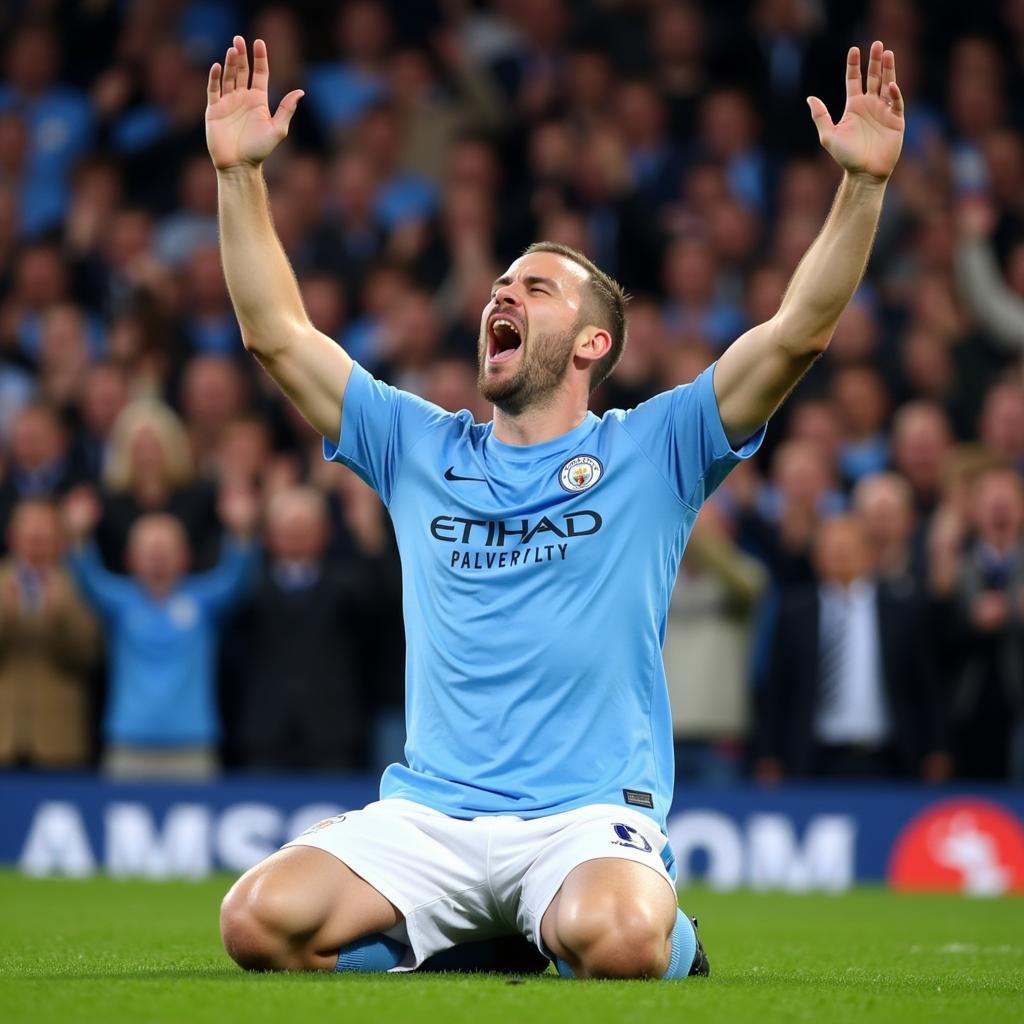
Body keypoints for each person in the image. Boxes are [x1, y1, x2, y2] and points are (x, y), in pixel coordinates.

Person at [209, 35, 906, 978]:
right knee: (254, 922)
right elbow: (276, 333)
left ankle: (638, 937)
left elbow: (797, 336)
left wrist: (861, 186)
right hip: (429, 815)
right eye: (502, 284)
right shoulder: (418, 445)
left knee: (620, 942)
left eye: (535, 288)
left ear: (591, 344)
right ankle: (478, 940)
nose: (504, 293)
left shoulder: (653, 449)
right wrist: (239, 173)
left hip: (582, 817)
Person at [64, 483, 259, 780]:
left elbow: (237, 578)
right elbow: (86, 578)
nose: (158, 557)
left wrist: (242, 532)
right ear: (131, 559)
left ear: (185, 557)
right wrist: (78, 536)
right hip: (128, 746)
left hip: (192, 747)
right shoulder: (119, 602)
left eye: (166, 550)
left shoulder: (202, 600)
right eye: (149, 551)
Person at [753, 516, 948, 783]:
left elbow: (926, 686)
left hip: (890, 759)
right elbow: (777, 688)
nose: (840, 554)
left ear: (869, 554)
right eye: (831, 547)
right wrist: (769, 753)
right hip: (814, 760)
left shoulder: (903, 611)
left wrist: (937, 748)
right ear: (816, 557)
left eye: (848, 547)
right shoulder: (795, 612)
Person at [0, 499, 99, 768]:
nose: (36, 545)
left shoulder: (79, 584)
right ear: (13, 538)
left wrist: (63, 617)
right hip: (5, 735)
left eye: (44, 537)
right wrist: (5, 617)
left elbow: (88, 656)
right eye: (30, 537)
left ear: (60, 542)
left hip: (58, 739)